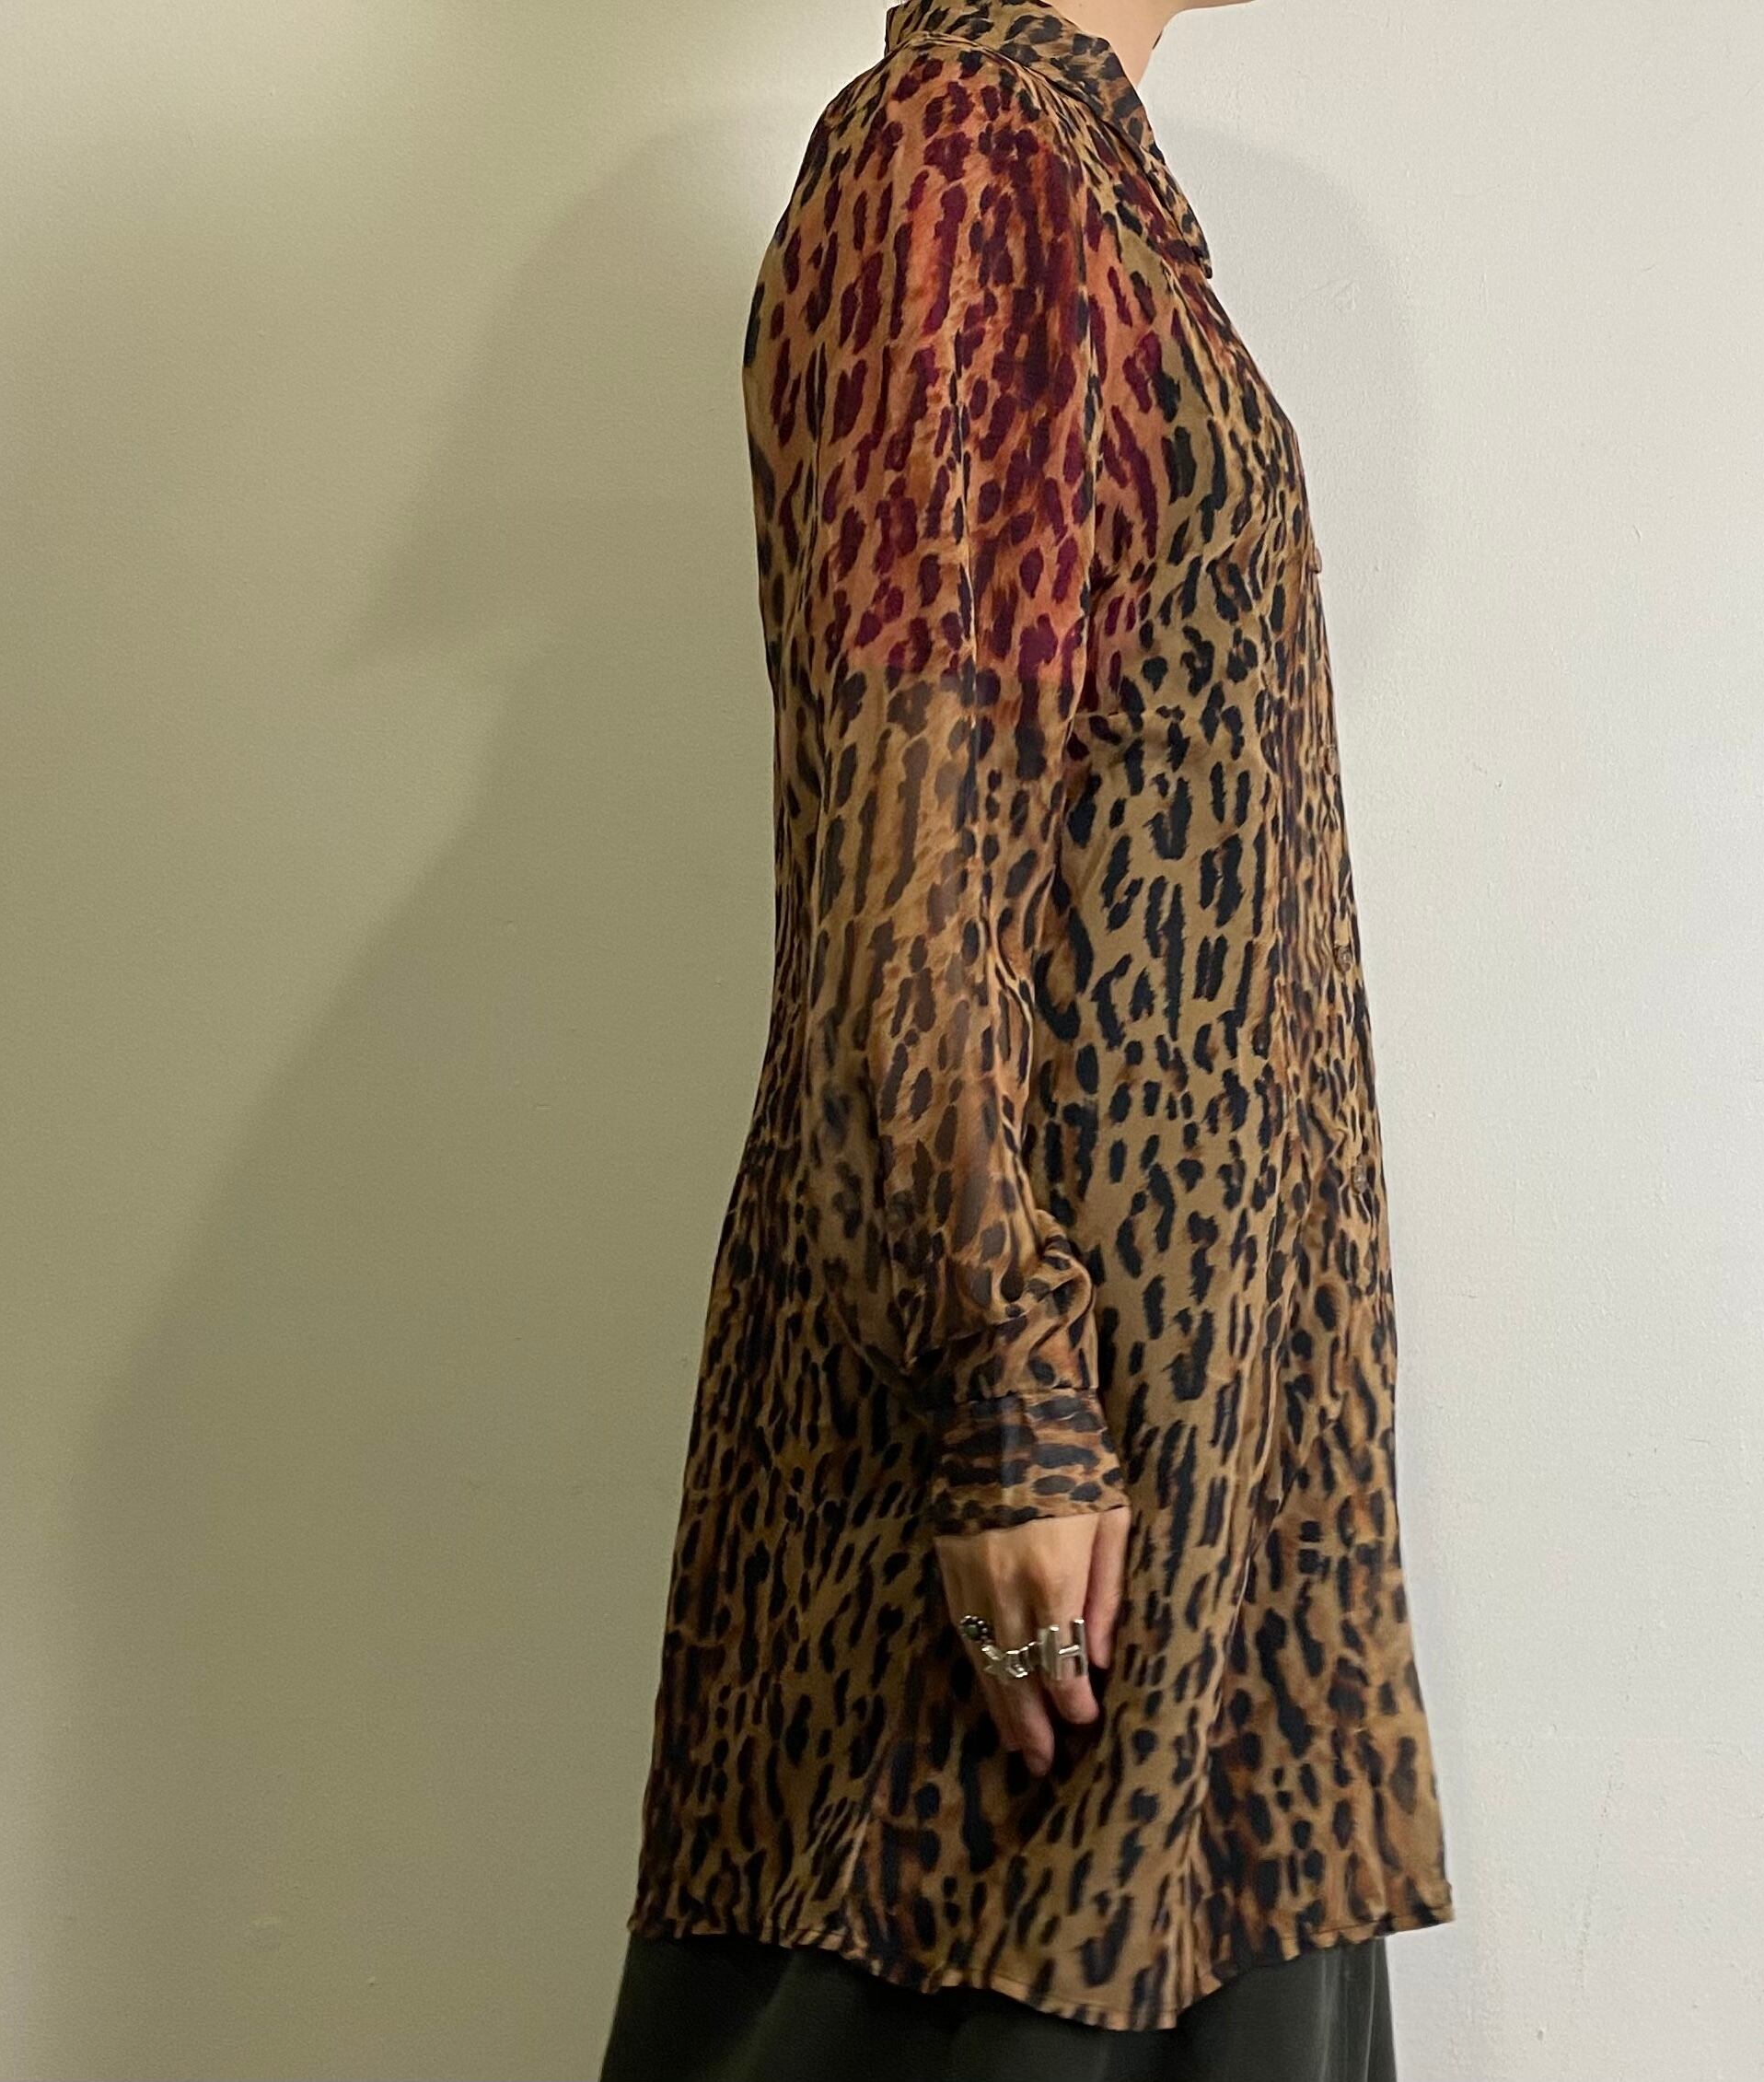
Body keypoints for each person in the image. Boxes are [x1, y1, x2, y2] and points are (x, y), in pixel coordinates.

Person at [599, 3, 1455, 2074]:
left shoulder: (1074, 180)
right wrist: (1004, 1396)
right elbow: (906, 840)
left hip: (1204, 1468)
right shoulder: (969, 159)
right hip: (1075, 1470)